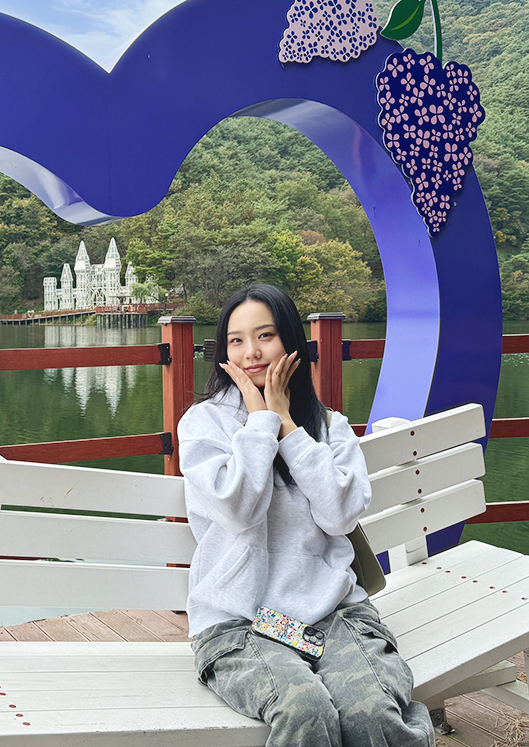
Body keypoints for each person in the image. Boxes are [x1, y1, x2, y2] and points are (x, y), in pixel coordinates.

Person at [178, 284, 433, 747]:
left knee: (374, 714)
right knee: (304, 709)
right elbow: (239, 510)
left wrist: (289, 427)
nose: (251, 353)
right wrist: (261, 422)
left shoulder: (329, 426)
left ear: (291, 341)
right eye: (236, 340)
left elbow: (340, 516)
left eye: (266, 335)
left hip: (332, 615)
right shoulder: (203, 424)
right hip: (242, 624)